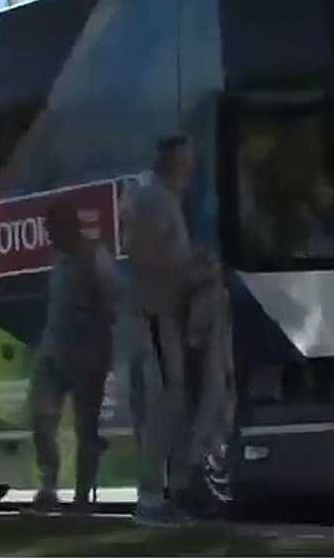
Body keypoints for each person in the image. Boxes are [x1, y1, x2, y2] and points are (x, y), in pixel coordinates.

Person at [120, 135, 230, 524]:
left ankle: (170, 495)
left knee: (175, 401)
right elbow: (147, 257)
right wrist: (193, 274)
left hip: (166, 315)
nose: (191, 169)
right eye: (186, 162)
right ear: (173, 162)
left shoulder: (163, 199)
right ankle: (150, 500)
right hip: (156, 315)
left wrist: (195, 263)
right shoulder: (154, 199)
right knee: (165, 403)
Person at [29, 201, 123, 512]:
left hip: (86, 354)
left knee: (85, 427)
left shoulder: (96, 255)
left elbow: (115, 299)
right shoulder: (57, 258)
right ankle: (48, 485)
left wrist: (95, 326)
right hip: (52, 349)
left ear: (69, 227)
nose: (48, 236)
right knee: (42, 416)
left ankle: (83, 496)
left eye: (52, 229)